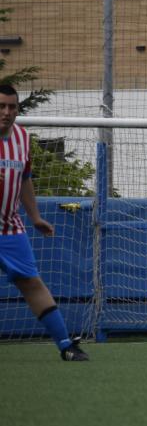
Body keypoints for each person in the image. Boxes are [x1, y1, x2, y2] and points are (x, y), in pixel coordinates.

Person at [0, 85, 88, 361]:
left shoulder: (23, 139)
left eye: (12, 107)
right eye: (1, 106)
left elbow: (25, 179)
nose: (7, 112)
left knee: (32, 282)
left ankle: (66, 346)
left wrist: (35, 217)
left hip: (10, 227)